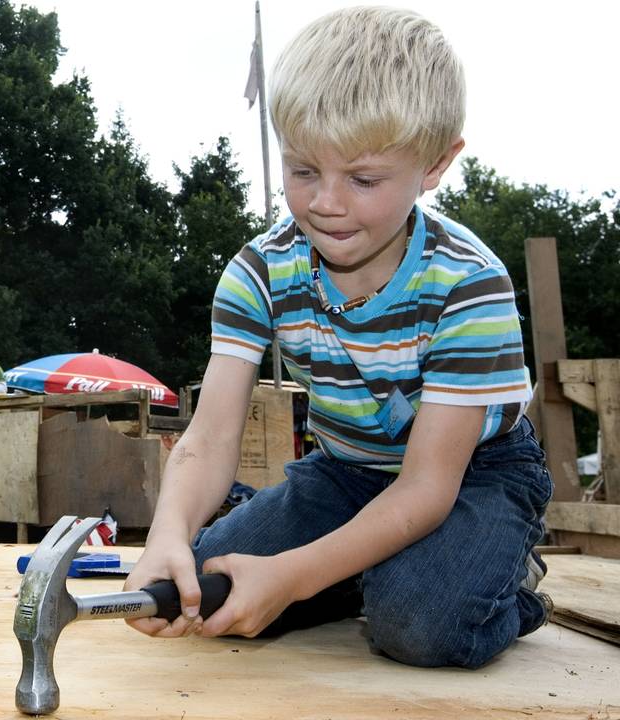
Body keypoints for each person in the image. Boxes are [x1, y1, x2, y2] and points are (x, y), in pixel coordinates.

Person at [123, 6, 552, 671]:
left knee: (418, 624)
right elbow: (207, 442)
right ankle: (353, 571)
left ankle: (504, 582)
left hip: (473, 476)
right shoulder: (258, 272)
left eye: (362, 179)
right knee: (204, 589)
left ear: (435, 164)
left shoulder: (470, 285)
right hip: (344, 469)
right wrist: (167, 535)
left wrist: (293, 577)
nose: (326, 202)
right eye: (302, 171)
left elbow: (425, 491)